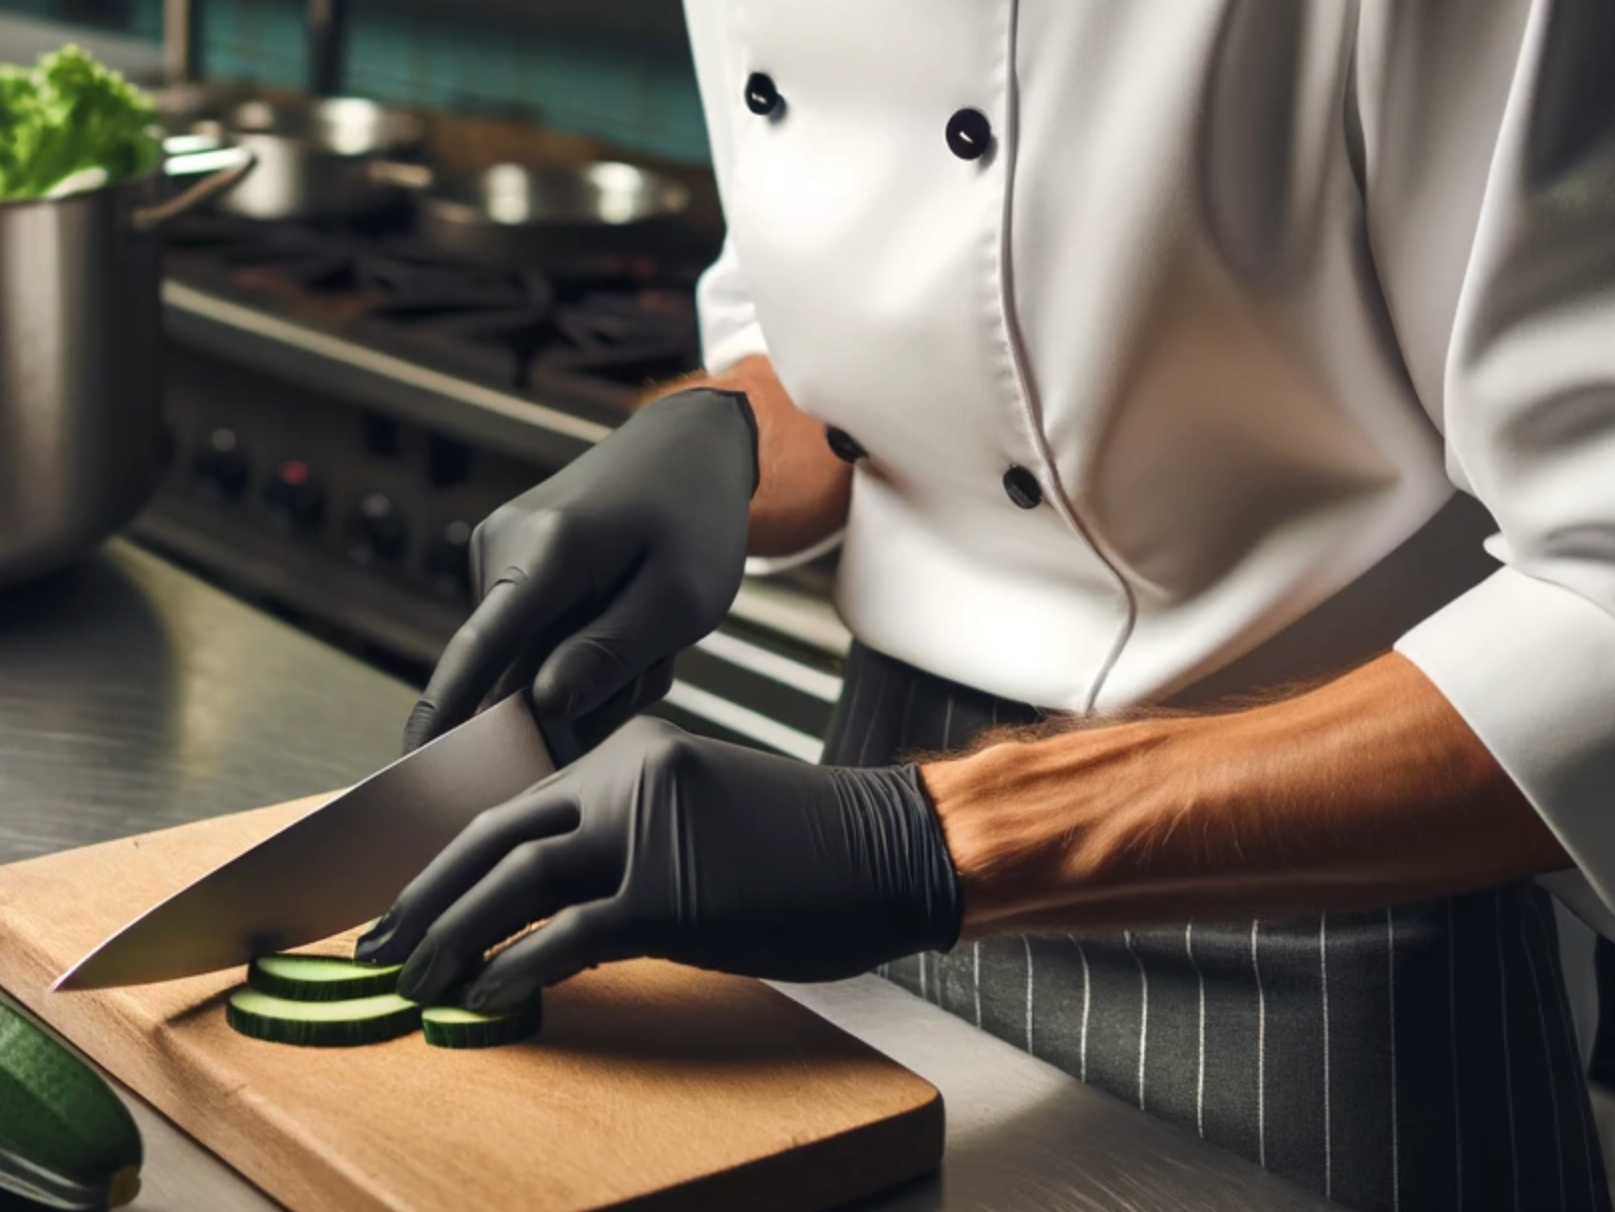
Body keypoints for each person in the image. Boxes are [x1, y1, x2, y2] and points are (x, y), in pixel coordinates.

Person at [354, 3, 1615, 1209]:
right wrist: (727, 428)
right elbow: (869, 309)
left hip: (1330, 903)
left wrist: (931, 841)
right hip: (849, 864)